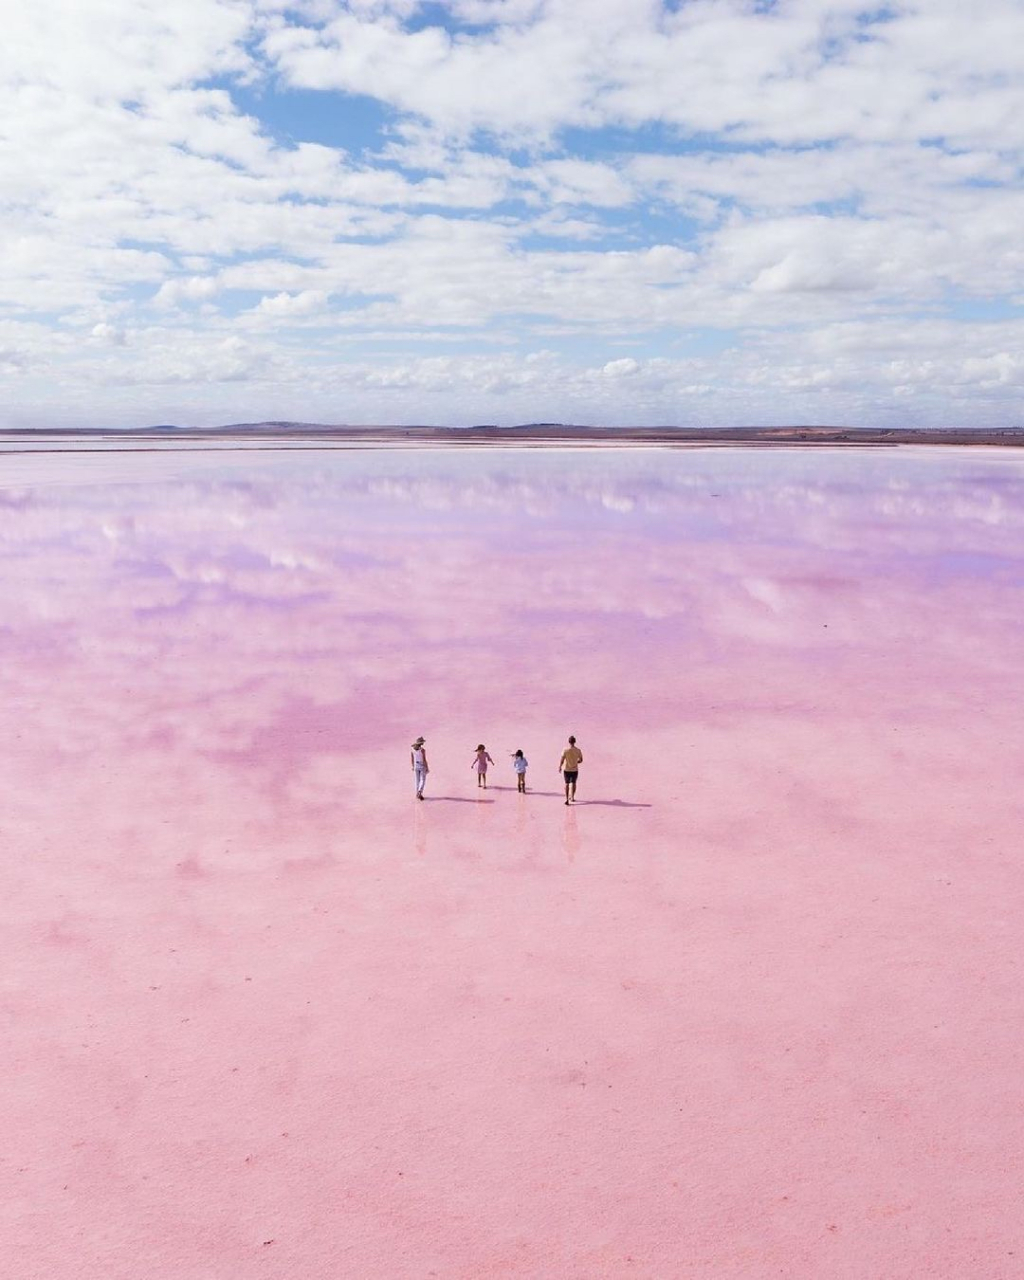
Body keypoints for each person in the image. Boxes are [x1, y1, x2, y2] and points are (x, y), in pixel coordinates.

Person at [558, 735, 583, 804]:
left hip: (566, 769)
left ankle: (566, 799)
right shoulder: (578, 750)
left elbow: (562, 759)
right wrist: (576, 762)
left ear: (569, 742)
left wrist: (560, 766)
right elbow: (581, 760)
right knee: (574, 783)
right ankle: (572, 797)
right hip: (574, 769)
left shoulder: (565, 750)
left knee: (566, 784)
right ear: (574, 742)